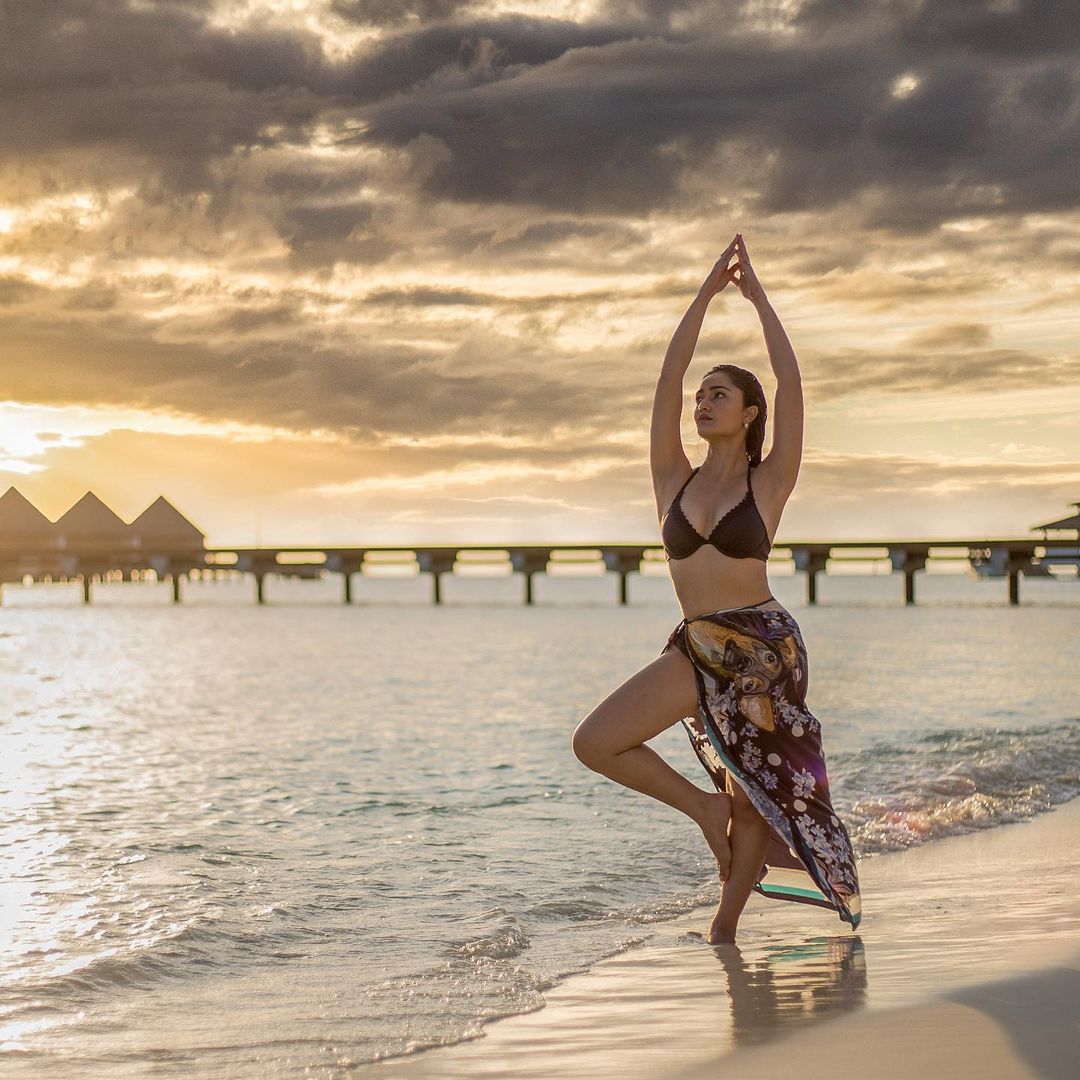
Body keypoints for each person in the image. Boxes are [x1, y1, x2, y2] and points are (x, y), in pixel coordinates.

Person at [572, 234, 861, 945]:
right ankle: (703, 810)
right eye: (700, 397)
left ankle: (724, 929)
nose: (701, 403)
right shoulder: (674, 477)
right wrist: (703, 296)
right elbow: (665, 380)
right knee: (596, 741)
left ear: (748, 413)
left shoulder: (769, 482)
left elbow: (791, 387)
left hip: (762, 649)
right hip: (698, 646)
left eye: (718, 395)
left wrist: (758, 300)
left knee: (756, 793)